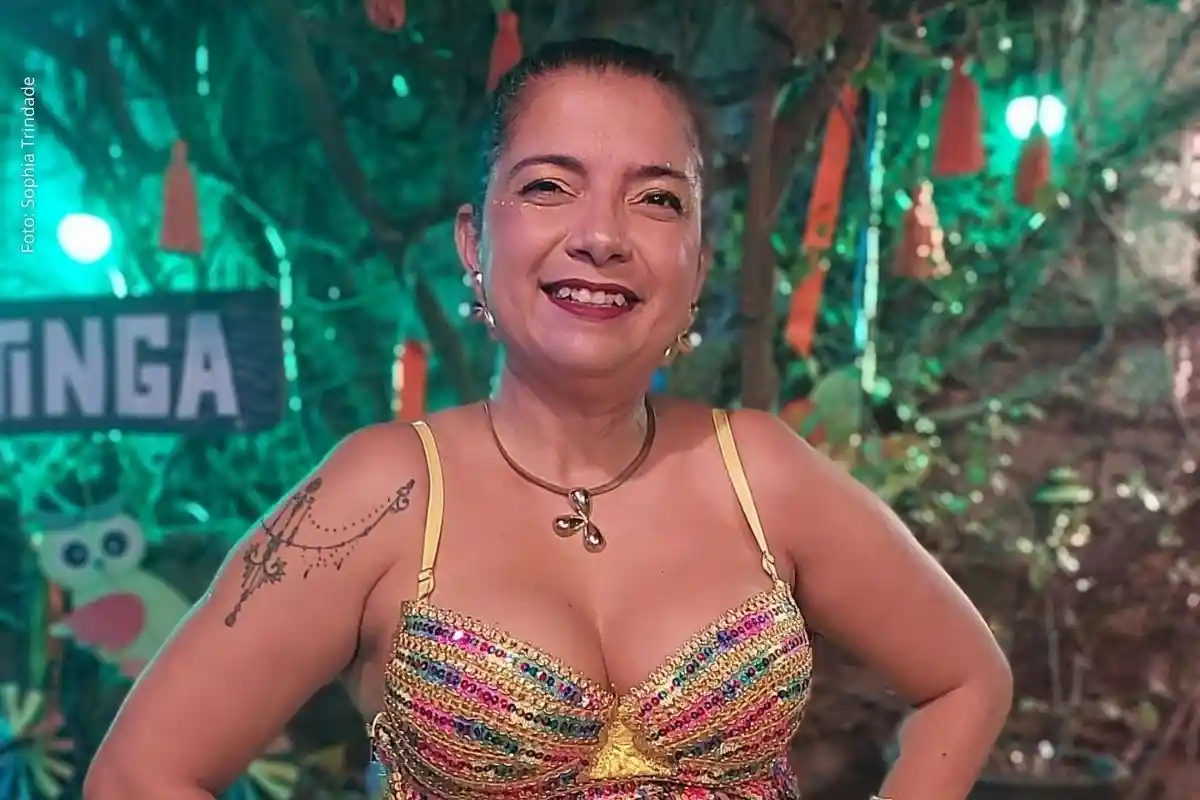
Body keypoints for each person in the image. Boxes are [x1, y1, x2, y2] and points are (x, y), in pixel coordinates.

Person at [84, 38, 1011, 800]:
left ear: (697, 264)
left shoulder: (760, 472)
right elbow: (137, 776)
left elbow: (968, 679)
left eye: (657, 199)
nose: (602, 235)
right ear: (472, 243)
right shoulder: (382, 495)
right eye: (548, 187)